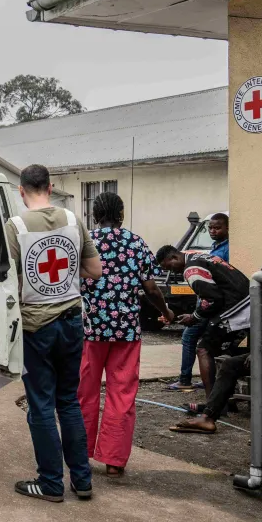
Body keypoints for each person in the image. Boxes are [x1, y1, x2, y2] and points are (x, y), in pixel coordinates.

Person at [5, 164, 102, 502]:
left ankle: (50, 484)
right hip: (73, 322)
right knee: (69, 402)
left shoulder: (15, 226)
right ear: (50, 186)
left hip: (36, 329)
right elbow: (95, 270)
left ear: (21, 190)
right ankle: (83, 480)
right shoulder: (74, 220)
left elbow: (7, 282)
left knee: (41, 406)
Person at [76, 192, 173, 477]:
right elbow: (151, 288)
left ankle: (80, 455)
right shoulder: (135, 242)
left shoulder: (84, 242)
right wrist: (165, 311)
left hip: (90, 329)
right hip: (127, 330)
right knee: (122, 394)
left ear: (95, 215)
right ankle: (114, 462)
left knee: (85, 393)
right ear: (121, 214)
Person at [155, 244, 251, 435]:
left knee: (204, 349)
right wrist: (193, 315)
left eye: (168, 267)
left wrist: (195, 317)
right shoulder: (196, 255)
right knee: (226, 353)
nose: (171, 271)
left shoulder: (191, 270)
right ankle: (222, 401)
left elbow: (213, 299)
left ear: (174, 257)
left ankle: (211, 407)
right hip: (248, 302)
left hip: (237, 309)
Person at [167, 212, 229, 392]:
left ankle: (185, 379)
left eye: (217, 228)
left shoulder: (226, 249)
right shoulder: (216, 247)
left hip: (212, 303)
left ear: (227, 228)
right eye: (210, 228)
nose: (212, 231)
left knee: (190, 337)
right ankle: (207, 378)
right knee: (205, 343)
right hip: (207, 302)